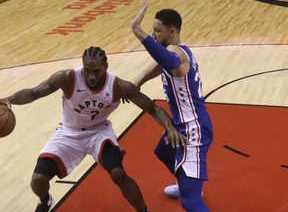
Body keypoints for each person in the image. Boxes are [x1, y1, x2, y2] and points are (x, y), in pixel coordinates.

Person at [0, 46, 187, 212]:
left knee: (118, 173)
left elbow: (152, 107)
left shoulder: (118, 86)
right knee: (38, 180)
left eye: (96, 71)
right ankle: (45, 201)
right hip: (68, 132)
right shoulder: (67, 78)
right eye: (87, 71)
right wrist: (9, 99)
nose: (91, 76)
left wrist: (170, 128)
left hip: (99, 132)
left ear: (105, 67)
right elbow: (33, 93)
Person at [130, 1, 213, 212]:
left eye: (157, 31)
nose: (154, 34)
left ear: (172, 31)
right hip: (184, 124)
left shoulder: (177, 56)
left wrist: (137, 31)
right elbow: (161, 64)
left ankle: (190, 191)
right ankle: (186, 185)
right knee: (164, 150)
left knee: (191, 203)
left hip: (193, 129)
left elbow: (167, 60)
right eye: (152, 30)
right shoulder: (175, 52)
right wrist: (138, 82)